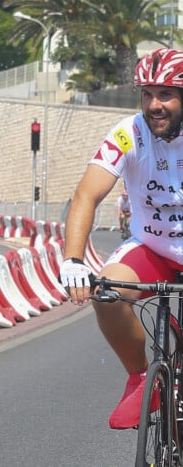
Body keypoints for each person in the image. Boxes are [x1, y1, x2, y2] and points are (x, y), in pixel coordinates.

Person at [60, 47, 183, 430]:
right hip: (152, 247)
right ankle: (141, 377)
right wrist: (73, 259)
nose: (154, 105)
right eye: (146, 94)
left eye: (165, 93)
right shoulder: (128, 134)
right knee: (107, 294)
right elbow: (86, 195)